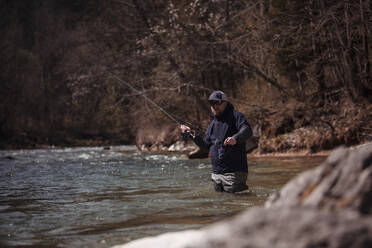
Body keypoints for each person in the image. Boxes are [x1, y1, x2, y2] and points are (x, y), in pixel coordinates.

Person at [180, 90, 252, 193]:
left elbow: (247, 130)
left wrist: (235, 138)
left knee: (236, 205)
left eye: (218, 102)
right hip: (216, 175)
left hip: (233, 174)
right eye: (212, 103)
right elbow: (206, 146)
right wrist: (191, 134)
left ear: (225, 103)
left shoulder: (236, 116)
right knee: (220, 206)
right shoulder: (213, 124)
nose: (214, 106)